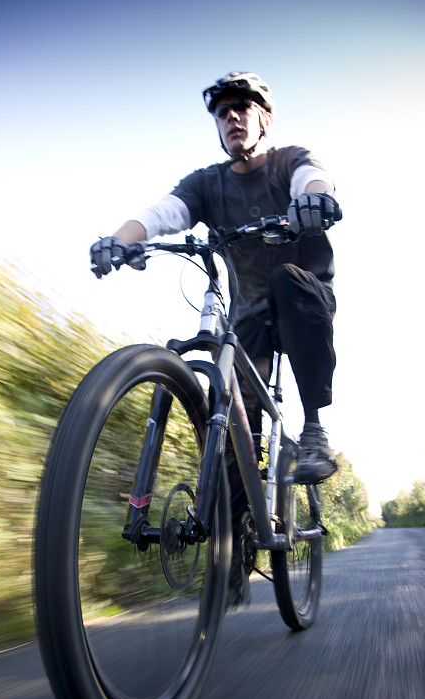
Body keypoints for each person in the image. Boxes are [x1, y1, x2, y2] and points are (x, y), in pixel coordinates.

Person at [90, 71, 342, 604]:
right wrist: (118, 239)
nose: (231, 117)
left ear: (263, 119)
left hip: (302, 296)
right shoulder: (208, 183)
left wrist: (316, 200)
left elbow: (314, 179)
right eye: (223, 111)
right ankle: (231, 555)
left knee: (284, 282)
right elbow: (163, 213)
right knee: (229, 426)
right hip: (249, 317)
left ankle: (314, 428)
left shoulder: (289, 161)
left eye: (242, 108)